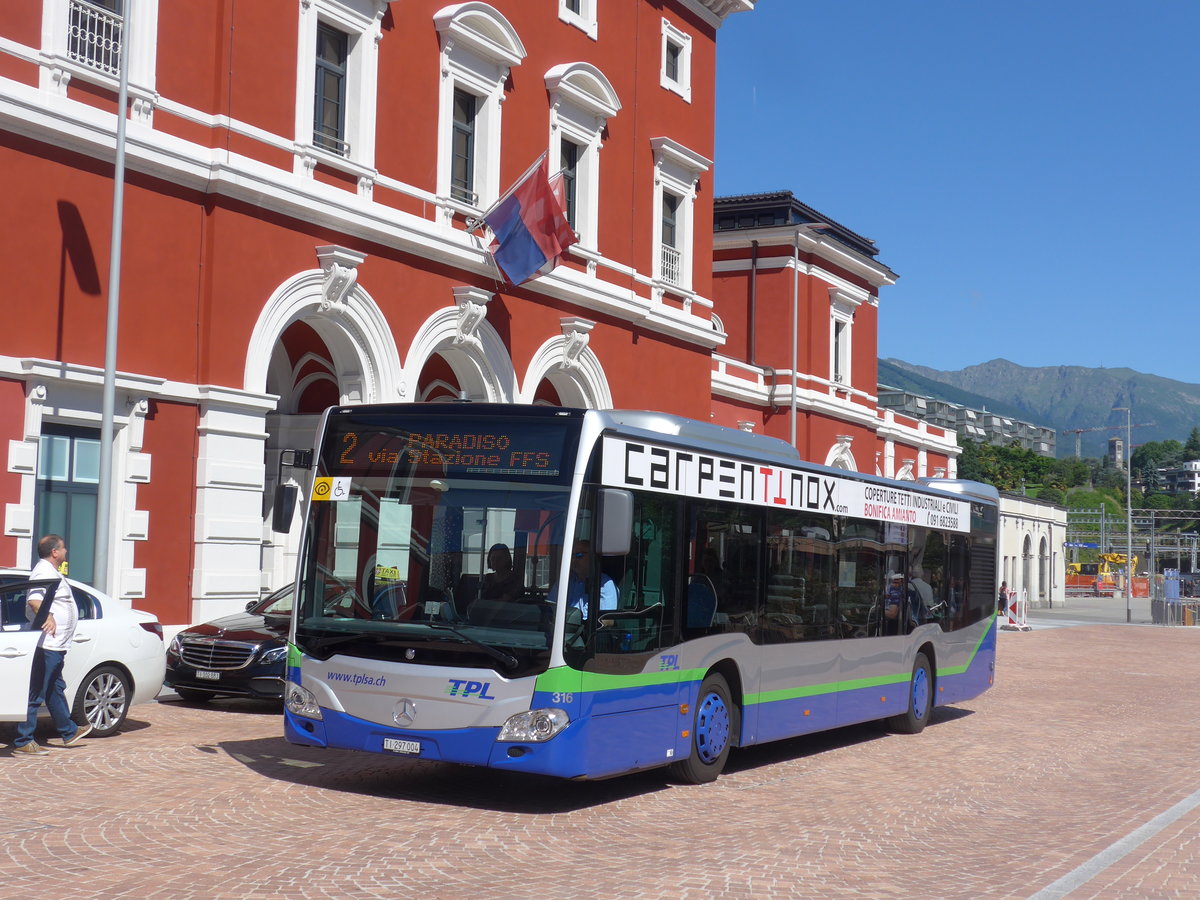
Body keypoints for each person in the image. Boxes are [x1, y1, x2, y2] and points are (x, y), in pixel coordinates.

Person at [12, 534, 92, 756]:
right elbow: (34, 600)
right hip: (46, 644)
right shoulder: (43, 572)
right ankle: (23, 740)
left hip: (56, 644)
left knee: (54, 688)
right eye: (63, 548)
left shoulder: (51, 572)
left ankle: (69, 731)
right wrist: (48, 616)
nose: (66, 552)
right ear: (54, 552)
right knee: (37, 691)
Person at [564, 539, 617, 620]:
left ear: (592, 556)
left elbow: (608, 620)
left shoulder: (604, 583)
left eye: (579, 555)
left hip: (587, 630)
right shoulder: (566, 580)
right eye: (572, 555)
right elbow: (551, 607)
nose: (574, 560)